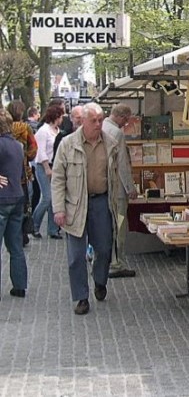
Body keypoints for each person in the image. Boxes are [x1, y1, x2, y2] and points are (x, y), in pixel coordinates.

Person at [51, 103, 121, 315]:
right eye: (94, 120)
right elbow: (57, 179)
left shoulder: (110, 143)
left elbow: (115, 176)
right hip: (75, 204)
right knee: (75, 256)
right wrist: (58, 209)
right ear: (83, 121)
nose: (98, 124)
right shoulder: (68, 144)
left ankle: (100, 280)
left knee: (104, 249)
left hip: (102, 202)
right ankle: (81, 297)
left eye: (101, 120)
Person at [103, 104, 138, 279]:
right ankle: (116, 263)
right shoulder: (117, 133)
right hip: (117, 188)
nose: (126, 123)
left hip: (105, 187)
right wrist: (130, 188)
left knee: (107, 226)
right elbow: (123, 164)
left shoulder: (102, 127)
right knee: (119, 224)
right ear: (120, 116)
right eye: (126, 119)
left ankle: (105, 258)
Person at [0, 108, 28, 298]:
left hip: (2, 198)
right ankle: (19, 285)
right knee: (15, 245)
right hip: (17, 197)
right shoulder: (18, 146)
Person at [7, 101, 38, 247]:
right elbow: (33, 149)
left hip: (6, 172)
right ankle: (22, 234)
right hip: (22, 173)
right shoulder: (26, 128)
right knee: (24, 204)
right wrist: (25, 157)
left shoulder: (5, 129)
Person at [32, 105, 64, 239]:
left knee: (54, 199)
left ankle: (53, 229)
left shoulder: (57, 131)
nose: (62, 118)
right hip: (43, 166)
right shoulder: (43, 131)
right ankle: (34, 225)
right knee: (46, 198)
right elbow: (41, 151)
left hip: (55, 166)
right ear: (56, 117)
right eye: (61, 116)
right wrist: (46, 168)